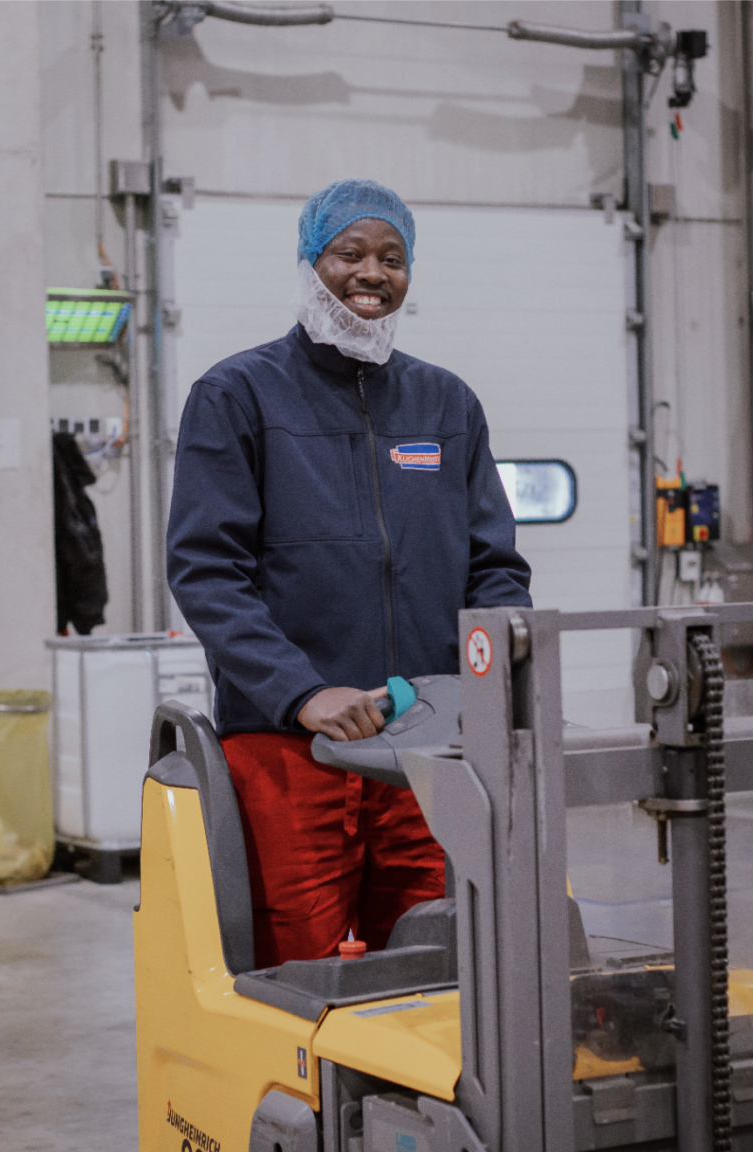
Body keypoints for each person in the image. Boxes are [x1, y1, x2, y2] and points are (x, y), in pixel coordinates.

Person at [167, 178, 532, 967]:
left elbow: (496, 568)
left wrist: (486, 684)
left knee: (438, 958)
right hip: (292, 748)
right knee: (304, 971)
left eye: (392, 259)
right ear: (311, 262)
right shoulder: (237, 395)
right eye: (349, 254)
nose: (372, 273)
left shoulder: (447, 404)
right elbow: (206, 570)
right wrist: (302, 692)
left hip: (428, 749)